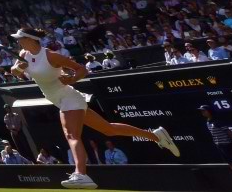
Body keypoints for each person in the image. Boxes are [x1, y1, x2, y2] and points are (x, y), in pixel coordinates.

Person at [11, 28, 179, 189]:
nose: (18, 42)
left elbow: (81, 69)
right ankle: (156, 135)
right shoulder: (23, 54)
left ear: (30, 39)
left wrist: (71, 79)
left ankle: (81, 175)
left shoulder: (51, 56)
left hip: (69, 98)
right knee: (109, 129)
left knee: (71, 135)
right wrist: (19, 68)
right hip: (59, 100)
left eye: (20, 38)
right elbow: (15, 72)